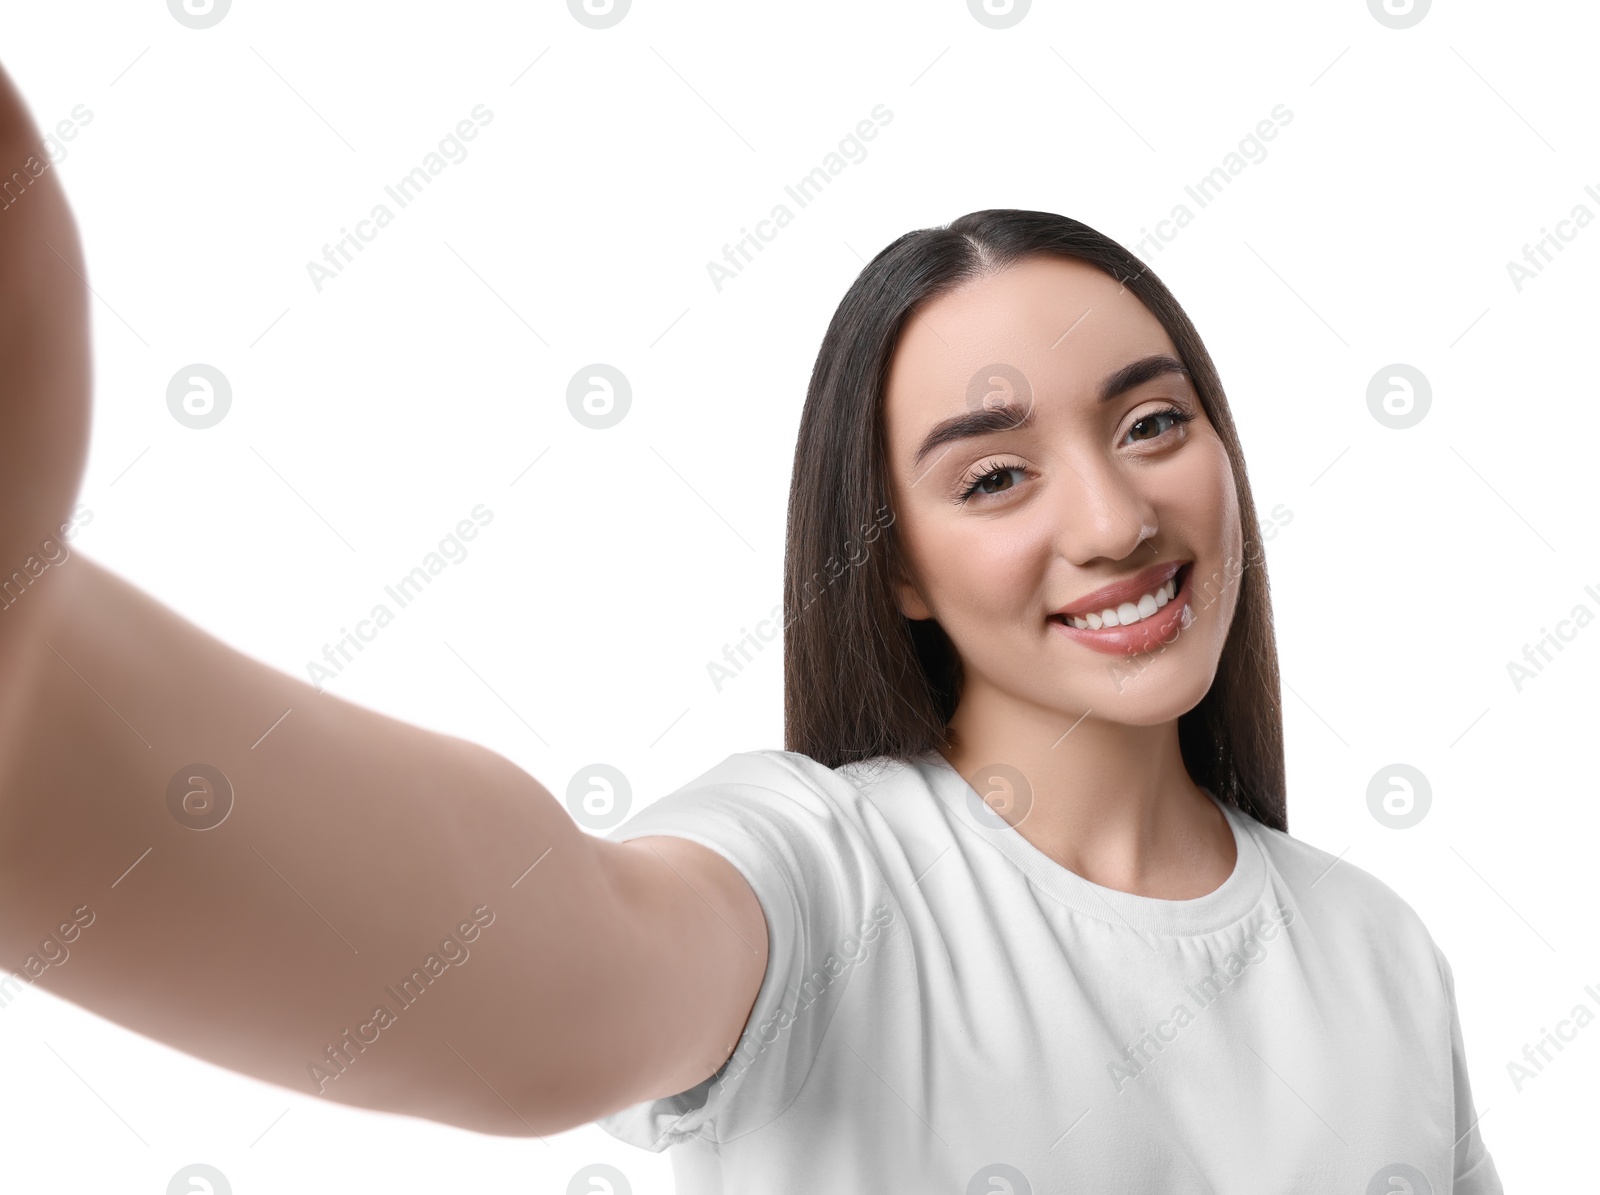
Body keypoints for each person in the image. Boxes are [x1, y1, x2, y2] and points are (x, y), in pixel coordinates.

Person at [0, 60, 1501, 1193]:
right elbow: (555, 965)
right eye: (993, 475)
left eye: (1154, 421)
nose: (1112, 521)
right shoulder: (826, 875)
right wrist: (37, 666)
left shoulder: (1378, 954)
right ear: (894, 565)